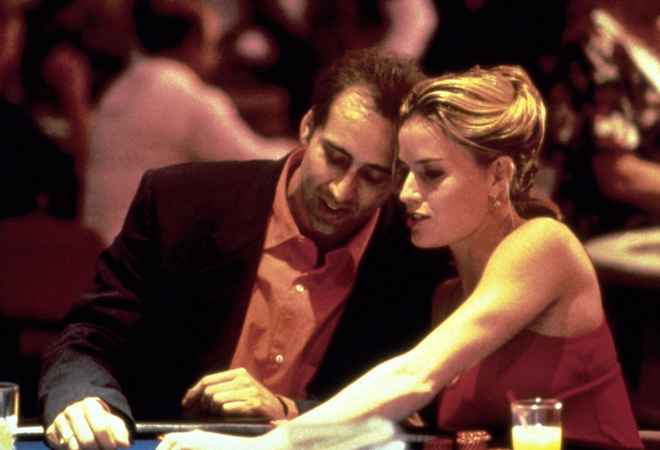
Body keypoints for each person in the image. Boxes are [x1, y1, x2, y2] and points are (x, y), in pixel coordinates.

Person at [157, 65, 643, 450]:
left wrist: (265, 447)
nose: (407, 192)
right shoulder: (445, 295)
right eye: (404, 171)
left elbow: (414, 376)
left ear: (498, 176)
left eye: (431, 174)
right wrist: (287, 415)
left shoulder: (544, 245)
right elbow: (402, 422)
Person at [38, 47, 453, 450]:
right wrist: (84, 398)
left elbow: (417, 414)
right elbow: (87, 336)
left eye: (373, 176)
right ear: (308, 127)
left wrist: (290, 411)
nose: (342, 191)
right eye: (335, 158)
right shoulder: (180, 202)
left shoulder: (416, 256)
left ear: (400, 175)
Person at [82, 0, 297, 245]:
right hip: (151, 256)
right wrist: (302, 150)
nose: (216, 57)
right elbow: (259, 166)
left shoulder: (116, 91)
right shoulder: (187, 95)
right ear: (192, 43)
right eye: (212, 45)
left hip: (98, 252)